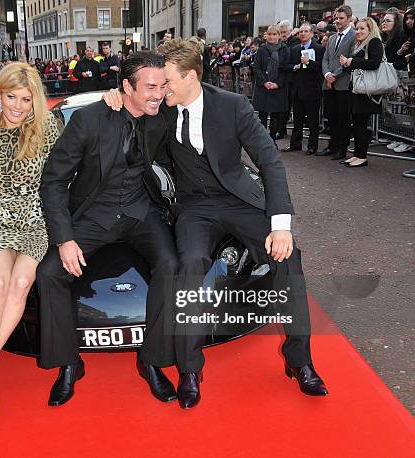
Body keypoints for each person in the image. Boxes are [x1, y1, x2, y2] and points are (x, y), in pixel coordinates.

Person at [104, 39, 328, 408]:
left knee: (289, 258)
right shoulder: (161, 108)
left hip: (239, 200)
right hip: (196, 208)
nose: (161, 90)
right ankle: (190, 370)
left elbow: (270, 163)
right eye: (157, 85)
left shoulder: (233, 106)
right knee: (189, 265)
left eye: (168, 82)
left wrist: (281, 224)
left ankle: (299, 359)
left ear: (191, 76)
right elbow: (131, 106)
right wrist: (114, 98)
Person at [37, 51, 179, 408]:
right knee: (50, 273)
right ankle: (69, 363)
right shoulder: (88, 121)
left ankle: (153, 360)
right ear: (126, 86)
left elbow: (195, 92)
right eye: (150, 87)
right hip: (93, 216)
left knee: (171, 264)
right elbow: (53, 181)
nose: (158, 94)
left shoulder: (161, 118)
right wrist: (65, 239)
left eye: (162, 86)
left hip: (139, 213)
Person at [0, 63, 62, 443]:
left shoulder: (48, 127)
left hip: (36, 221)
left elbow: (63, 175)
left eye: (25, 98)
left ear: (35, 99)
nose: (17, 106)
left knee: (20, 282)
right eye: (10, 97)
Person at [339, 18, 383, 168]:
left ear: (370, 30)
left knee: (361, 124)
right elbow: (353, 68)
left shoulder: (374, 42)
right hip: (357, 89)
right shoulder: (359, 45)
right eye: (357, 29)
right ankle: (357, 154)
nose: (358, 32)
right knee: (357, 123)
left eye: (362, 29)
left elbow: (374, 63)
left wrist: (351, 61)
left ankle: (362, 156)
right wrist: (346, 64)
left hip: (367, 91)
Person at [283, 23, 325, 155]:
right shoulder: (294, 49)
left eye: (306, 31)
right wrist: (294, 67)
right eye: (301, 31)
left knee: (313, 121)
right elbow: (287, 65)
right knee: (297, 120)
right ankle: (295, 144)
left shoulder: (319, 49)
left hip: (312, 90)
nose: (303, 34)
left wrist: (309, 63)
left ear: (312, 34)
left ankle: (312, 146)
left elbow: (322, 67)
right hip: (297, 89)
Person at [320, 4, 356, 161]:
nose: (338, 21)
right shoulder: (333, 37)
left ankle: (342, 148)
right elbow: (326, 59)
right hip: (329, 83)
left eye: (341, 18)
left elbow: (350, 59)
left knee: (343, 117)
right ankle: (332, 145)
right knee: (331, 116)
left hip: (343, 83)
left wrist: (334, 75)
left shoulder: (354, 36)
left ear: (349, 19)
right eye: (336, 18)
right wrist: (327, 74)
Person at [252, 25, 290, 144]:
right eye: (269, 34)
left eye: (274, 34)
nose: (272, 37)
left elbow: (285, 69)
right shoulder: (262, 49)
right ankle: (263, 141)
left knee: (275, 117)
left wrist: (277, 84)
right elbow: (256, 67)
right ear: (266, 36)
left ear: (279, 35)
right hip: (263, 87)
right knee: (262, 116)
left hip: (277, 88)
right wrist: (264, 82)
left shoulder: (285, 49)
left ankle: (272, 140)